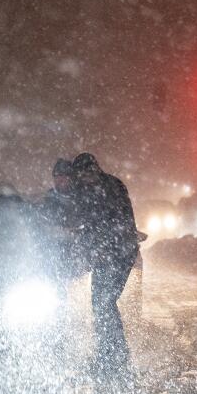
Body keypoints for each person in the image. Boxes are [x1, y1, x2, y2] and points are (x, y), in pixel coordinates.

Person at [67, 152, 146, 379]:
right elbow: (90, 224)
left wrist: (100, 247)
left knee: (103, 303)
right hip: (114, 253)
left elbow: (115, 222)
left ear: (92, 170)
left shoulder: (106, 188)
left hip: (117, 254)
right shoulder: (102, 187)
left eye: (85, 174)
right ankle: (111, 354)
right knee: (103, 303)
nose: (84, 178)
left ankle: (114, 356)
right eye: (81, 175)